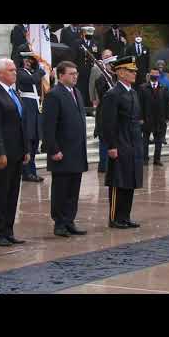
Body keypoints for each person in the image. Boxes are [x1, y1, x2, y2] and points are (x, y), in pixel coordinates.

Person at [0, 58, 30, 247]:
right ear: (0, 73)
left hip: (17, 151)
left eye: (15, 70)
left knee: (12, 193)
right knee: (0, 193)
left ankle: (8, 230)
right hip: (1, 153)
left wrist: (26, 149)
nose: (15, 73)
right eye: (11, 70)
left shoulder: (13, 93)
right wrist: (0, 152)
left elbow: (20, 124)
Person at [43, 61, 88, 238]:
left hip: (77, 150)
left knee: (73, 189)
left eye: (76, 73)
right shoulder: (54, 95)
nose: (75, 76)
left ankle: (70, 220)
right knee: (61, 189)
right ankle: (59, 222)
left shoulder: (76, 92)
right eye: (71, 73)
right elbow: (48, 126)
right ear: (61, 75)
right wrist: (53, 149)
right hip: (62, 151)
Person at [102, 56, 142, 229]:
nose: (134, 74)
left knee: (129, 180)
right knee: (118, 181)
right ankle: (115, 217)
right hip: (119, 142)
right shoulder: (113, 94)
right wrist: (111, 145)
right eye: (130, 71)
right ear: (120, 72)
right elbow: (108, 123)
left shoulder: (132, 92)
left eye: (134, 71)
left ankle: (125, 216)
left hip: (133, 142)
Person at [16, 47, 46, 183]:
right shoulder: (20, 72)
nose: (28, 62)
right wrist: (39, 71)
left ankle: (32, 171)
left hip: (35, 104)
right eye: (26, 60)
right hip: (27, 104)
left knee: (34, 140)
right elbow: (32, 80)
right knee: (28, 139)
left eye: (30, 60)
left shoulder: (33, 72)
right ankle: (26, 172)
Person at [138, 67, 169, 166]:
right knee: (145, 140)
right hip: (147, 118)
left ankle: (157, 159)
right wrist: (140, 118)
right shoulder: (143, 88)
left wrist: (167, 117)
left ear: (158, 76)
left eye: (156, 74)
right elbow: (140, 104)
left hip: (160, 119)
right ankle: (145, 159)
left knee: (159, 141)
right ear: (149, 75)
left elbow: (167, 104)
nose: (154, 76)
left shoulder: (163, 88)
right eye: (152, 74)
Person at [94, 53, 117, 173]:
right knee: (103, 141)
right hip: (103, 114)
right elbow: (102, 95)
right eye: (111, 65)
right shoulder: (101, 79)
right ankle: (103, 166)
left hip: (112, 114)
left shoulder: (114, 78)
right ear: (107, 66)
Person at [71, 26, 101, 110]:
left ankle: (90, 108)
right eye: (88, 34)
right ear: (84, 33)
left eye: (91, 34)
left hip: (92, 72)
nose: (89, 35)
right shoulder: (77, 43)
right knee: (81, 89)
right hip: (81, 71)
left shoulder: (96, 44)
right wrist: (75, 70)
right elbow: (73, 57)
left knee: (91, 89)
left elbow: (98, 57)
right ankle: (81, 108)